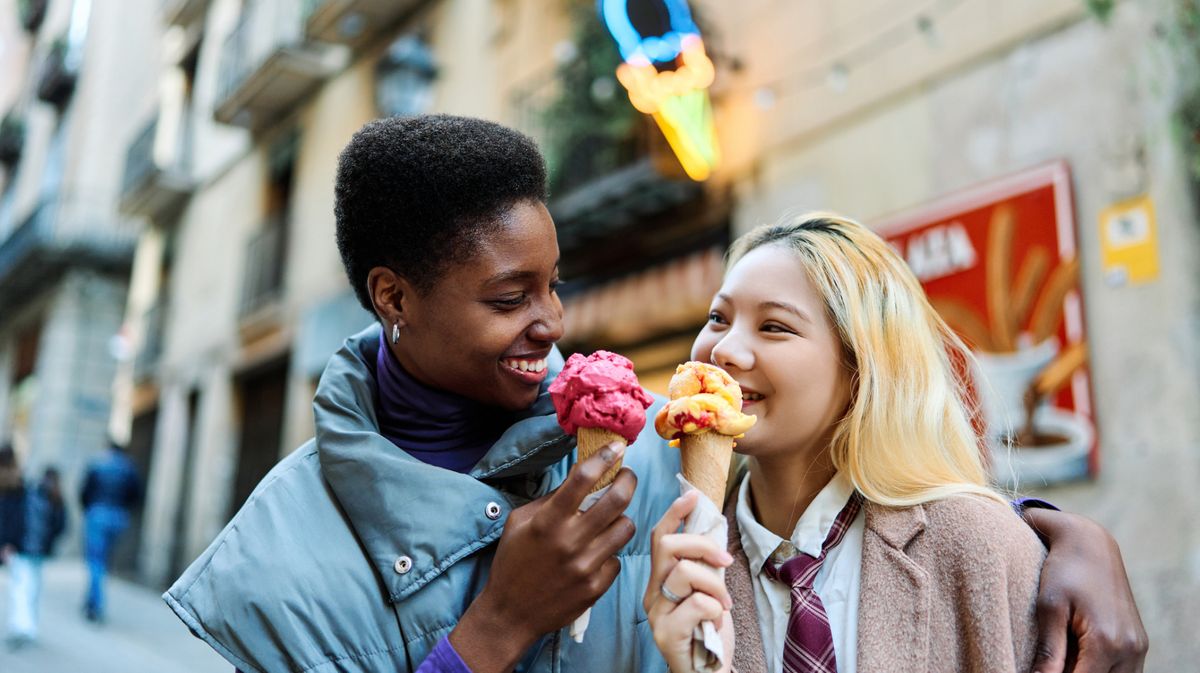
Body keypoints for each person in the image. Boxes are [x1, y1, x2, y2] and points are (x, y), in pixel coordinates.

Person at [163, 115, 1145, 673]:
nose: (553, 321)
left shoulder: (640, 449)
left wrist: (1046, 538)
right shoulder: (269, 566)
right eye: (512, 297)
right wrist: (497, 626)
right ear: (394, 297)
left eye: (555, 284)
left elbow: (837, 495)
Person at [643, 213, 1146, 673]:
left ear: (860, 366)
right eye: (718, 318)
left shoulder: (982, 545)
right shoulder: (676, 565)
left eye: (774, 326)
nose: (723, 349)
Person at [80, 441, 143, 623]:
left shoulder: (97, 463)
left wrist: (90, 509)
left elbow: (84, 492)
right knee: (103, 559)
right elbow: (137, 494)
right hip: (118, 517)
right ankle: (91, 600)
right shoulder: (129, 467)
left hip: (97, 514)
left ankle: (95, 604)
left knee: (95, 561)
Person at [6, 466, 67, 648]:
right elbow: (61, 526)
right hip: (40, 550)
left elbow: (16, 519)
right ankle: (29, 626)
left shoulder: (29, 494)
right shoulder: (56, 498)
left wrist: (11, 541)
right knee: (33, 587)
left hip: (24, 548)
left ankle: (22, 626)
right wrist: (49, 542)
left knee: (21, 588)